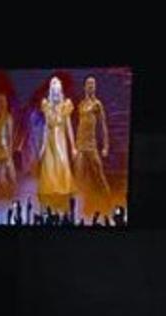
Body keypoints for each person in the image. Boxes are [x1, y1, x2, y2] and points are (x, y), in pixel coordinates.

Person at [73, 75, 112, 213]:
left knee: (99, 174)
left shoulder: (97, 104)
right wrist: (75, 146)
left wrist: (106, 146)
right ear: (84, 87)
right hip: (81, 146)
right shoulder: (81, 105)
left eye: (93, 84)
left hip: (91, 145)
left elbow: (103, 126)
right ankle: (78, 207)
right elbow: (79, 126)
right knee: (78, 175)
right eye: (89, 84)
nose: (91, 86)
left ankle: (109, 204)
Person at [37, 77, 76, 213]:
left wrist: (73, 147)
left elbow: (69, 127)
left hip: (61, 144)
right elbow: (46, 128)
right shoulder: (46, 106)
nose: (56, 94)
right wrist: (42, 146)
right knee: (49, 172)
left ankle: (63, 207)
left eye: (58, 91)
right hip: (50, 144)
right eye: (53, 92)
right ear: (50, 92)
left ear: (61, 92)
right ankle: (50, 208)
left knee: (62, 169)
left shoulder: (65, 105)